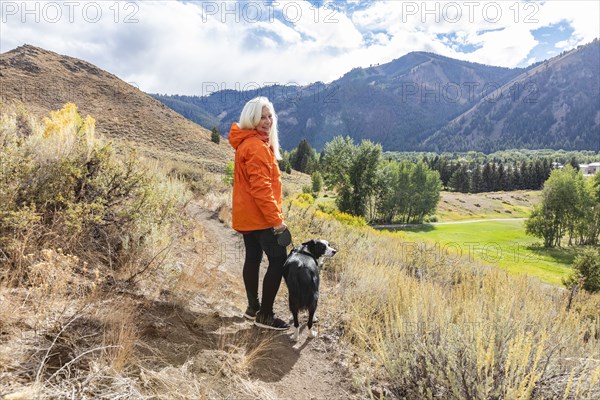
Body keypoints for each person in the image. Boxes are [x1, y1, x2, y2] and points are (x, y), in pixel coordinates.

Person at [228, 96, 290, 331]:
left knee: (253, 258)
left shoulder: (249, 143)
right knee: (278, 260)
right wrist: (277, 222)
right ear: (251, 119)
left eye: (269, 116)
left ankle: (253, 308)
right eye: (262, 117)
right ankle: (265, 315)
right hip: (261, 218)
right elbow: (261, 189)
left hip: (248, 218)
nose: (267, 121)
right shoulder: (256, 146)